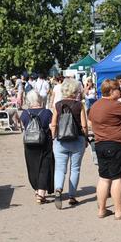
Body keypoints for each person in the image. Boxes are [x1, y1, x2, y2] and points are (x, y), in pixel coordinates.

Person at [89, 79, 121, 219]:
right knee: (117, 178)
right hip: (116, 144)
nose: (120, 91)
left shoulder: (95, 105)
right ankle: (119, 211)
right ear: (111, 91)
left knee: (104, 178)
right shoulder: (115, 105)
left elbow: (91, 121)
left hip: (100, 144)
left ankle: (102, 209)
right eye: (118, 89)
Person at [50, 78, 87, 209]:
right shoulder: (79, 105)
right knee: (75, 168)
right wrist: (86, 138)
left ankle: (58, 189)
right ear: (76, 91)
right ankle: (72, 196)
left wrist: (53, 137)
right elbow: (84, 125)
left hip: (60, 140)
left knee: (60, 168)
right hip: (77, 139)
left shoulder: (58, 105)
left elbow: (53, 124)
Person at [20, 90, 54, 204]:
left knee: (32, 167)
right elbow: (52, 126)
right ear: (40, 99)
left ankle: (37, 189)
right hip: (44, 143)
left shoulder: (25, 113)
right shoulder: (47, 112)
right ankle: (41, 193)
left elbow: (23, 127)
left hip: (29, 144)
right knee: (45, 167)